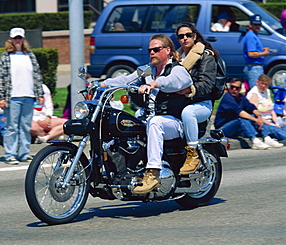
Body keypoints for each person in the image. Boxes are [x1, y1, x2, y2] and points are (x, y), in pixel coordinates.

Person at [101, 34, 193, 194]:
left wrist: (155, 83)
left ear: (168, 50)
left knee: (155, 122)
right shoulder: (147, 70)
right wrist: (102, 84)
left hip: (174, 122)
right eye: (150, 50)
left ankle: (153, 173)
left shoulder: (177, 69)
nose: (152, 53)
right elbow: (126, 80)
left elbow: (175, 81)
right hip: (149, 119)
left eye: (156, 49)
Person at [0, 27, 44, 165]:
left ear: (23, 39)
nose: (17, 41)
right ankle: (10, 154)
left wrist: (39, 93)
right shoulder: (5, 57)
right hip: (13, 97)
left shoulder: (30, 55)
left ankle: (24, 153)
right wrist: (1, 97)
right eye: (15, 38)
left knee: (25, 126)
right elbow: (0, 77)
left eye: (20, 38)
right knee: (11, 126)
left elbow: (36, 76)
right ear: (10, 40)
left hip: (28, 96)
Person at [175, 23, 217, 175]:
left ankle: (192, 154)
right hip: (178, 102)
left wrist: (190, 89)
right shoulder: (176, 58)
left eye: (188, 35)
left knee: (188, 113)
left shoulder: (206, 56)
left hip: (201, 103)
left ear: (194, 36)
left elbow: (207, 85)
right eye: (181, 36)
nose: (185, 38)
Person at [214, 78, 281, 149]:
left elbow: (251, 107)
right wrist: (256, 120)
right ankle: (255, 141)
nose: (234, 89)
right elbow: (240, 113)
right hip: (222, 129)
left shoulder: (241, 97)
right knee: (242, 119)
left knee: (251, 116)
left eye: (236, 88)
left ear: (240, 89)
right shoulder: (228, 98)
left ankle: (267, 138)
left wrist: (259, 116)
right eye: (232, 87)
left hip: (235, 127)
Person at [246, 74, 286, 145]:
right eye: (262, 83)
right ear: (257, 82)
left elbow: (271, 110)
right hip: (263, 123)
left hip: (271, 121)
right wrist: (271, 124)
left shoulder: (267, 92)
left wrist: (277, 122)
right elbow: (256, 115)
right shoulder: (254, 94)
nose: (263, 86)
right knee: (283, 134)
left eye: (266, 84)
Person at [243, 14, 270, 89]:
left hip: (254, 67)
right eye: (255, 24)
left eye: (259, 24)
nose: (257, 26)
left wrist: (262, 50)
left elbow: (253, 50)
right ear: (250, 25)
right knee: (255, 92)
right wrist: (264, 53)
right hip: (254, 68)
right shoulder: (251, 36)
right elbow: (251, 54)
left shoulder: (253, 35)